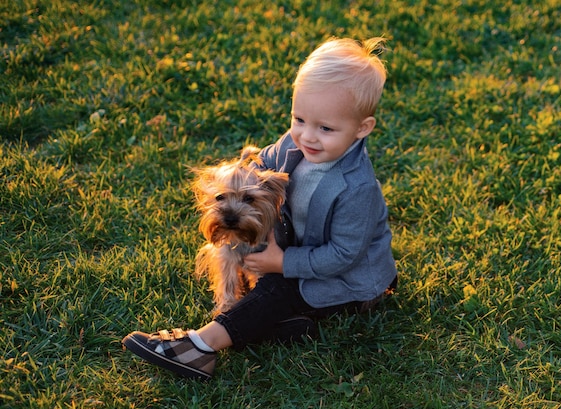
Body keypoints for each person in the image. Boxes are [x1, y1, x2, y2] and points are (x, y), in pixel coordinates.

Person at [122, 37, 398, 380]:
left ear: (362, 129)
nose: (307, 136)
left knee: (276, 289)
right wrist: (237, 184)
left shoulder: (357, 188)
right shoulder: (296, 142)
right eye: (299, 119)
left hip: (349, 282)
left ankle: (200, 347)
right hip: (303, 253)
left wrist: (283, 262)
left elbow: (343, 255)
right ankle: (284, 327)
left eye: (325, 128)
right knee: (264, 282)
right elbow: (263, 160)